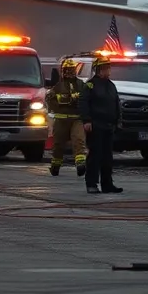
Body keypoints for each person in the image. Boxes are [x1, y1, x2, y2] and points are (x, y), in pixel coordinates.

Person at [79, 55, 123, 194]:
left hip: (109, 126)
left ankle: (107, 184)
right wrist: (86, 120)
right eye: (105, 68)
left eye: (109, 68)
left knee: (107, 157)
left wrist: (118, 121)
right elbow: (83, 103)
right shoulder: (90, 85)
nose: (108, 70)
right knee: (95, 156)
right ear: (98, 70)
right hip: (96, 126)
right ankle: (91, 183)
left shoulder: (111, 85)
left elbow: (116, 104)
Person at [47, 58, 87, 177]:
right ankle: (55, 166)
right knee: (58, 144)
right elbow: (51, 101)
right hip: (61, 119)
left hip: (77, 119)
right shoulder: (57, 86)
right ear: (63, 71)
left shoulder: (81, 85)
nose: (69, 72)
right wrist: (67, 99)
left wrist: (78, 98)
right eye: (67, 70)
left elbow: (86, 99)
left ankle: (80, 165)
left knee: (79, 141)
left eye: (71, 70)